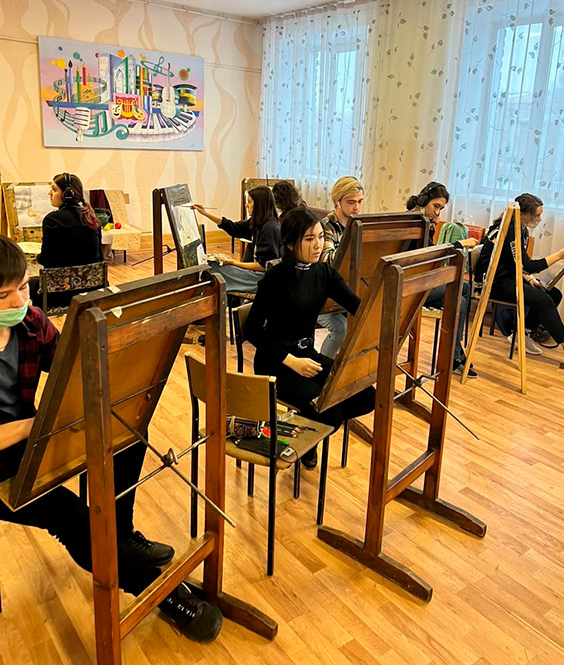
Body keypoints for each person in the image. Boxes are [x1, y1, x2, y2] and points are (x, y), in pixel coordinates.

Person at [0, 235, 222, 642]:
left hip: (29, 437)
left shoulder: (30, 323)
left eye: (24, 287)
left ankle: (119, 535)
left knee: (128, 433)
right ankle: (161, 593)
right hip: (7, 452)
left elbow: (71, 365)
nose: (19, 301)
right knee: (68, 516)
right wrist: (36, 425)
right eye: (4, 295)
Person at [245, 207, 375, 469]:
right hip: (276, 363)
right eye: (309, 239)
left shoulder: (324, 273)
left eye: (320, 236)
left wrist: (387, 308)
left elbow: (358, 307)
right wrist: (291, 361)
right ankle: (309, 432)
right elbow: (252, 331)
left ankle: (309, 432)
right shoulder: (275, 278)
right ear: (290, 244)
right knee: (330, 414)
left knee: (366, 396)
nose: (318, 245)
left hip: (308, 357)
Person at [476, 193, 564, 366]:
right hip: (493, 283)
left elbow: (514, 263)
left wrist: (528, 277)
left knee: (553, 294)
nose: (540, 219)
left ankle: (522, 334)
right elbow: (528, 265)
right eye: (537, 215)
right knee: (543, 300)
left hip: (508, 276)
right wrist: (559, 255)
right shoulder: (509, 230)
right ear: (523, 214)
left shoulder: (520, 229)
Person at [407, 182, 480, 378]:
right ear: (423, 200)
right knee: (461, 294)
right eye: (436, 206)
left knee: (463, 295)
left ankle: (454, 353)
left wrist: (431, 229)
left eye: (441, 208)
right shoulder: (413, 222)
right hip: (411, 286)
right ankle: (454, 356)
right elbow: (429, 254)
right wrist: (459, 244)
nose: (437, 212)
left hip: (420, 281)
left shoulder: (424, 222)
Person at [31, 173, 103, 309]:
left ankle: (39, 322)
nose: (49, 193)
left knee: (29, 283)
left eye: (54, 189)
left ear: (67, 194)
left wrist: (38, 257)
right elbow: (98, 257)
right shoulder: (91, 218)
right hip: (92, 290)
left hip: (59, 294)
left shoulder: (52, 219)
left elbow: (46, 259)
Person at [192, 186, 280, 293]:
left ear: (259, 205)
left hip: (263, 280)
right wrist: (205, 213)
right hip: (256, 274)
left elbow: (264, 266)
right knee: (213, 265)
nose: (246, 205)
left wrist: (233, 262)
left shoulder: (269, 228)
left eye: (249, 202)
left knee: (214, 270)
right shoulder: (258, 223)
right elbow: (234, 228)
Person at [317, 176, 365, 358]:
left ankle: (349, 367)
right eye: (351, 202)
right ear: (337, 201)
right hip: (323, 292)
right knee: (340, 328)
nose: (357, 207)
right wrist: (352, 248)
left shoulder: (357, 224)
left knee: (368, 319)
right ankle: (323, 369)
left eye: (360, 201)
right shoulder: (326, 226)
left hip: (347, 289)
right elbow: (327, 261)